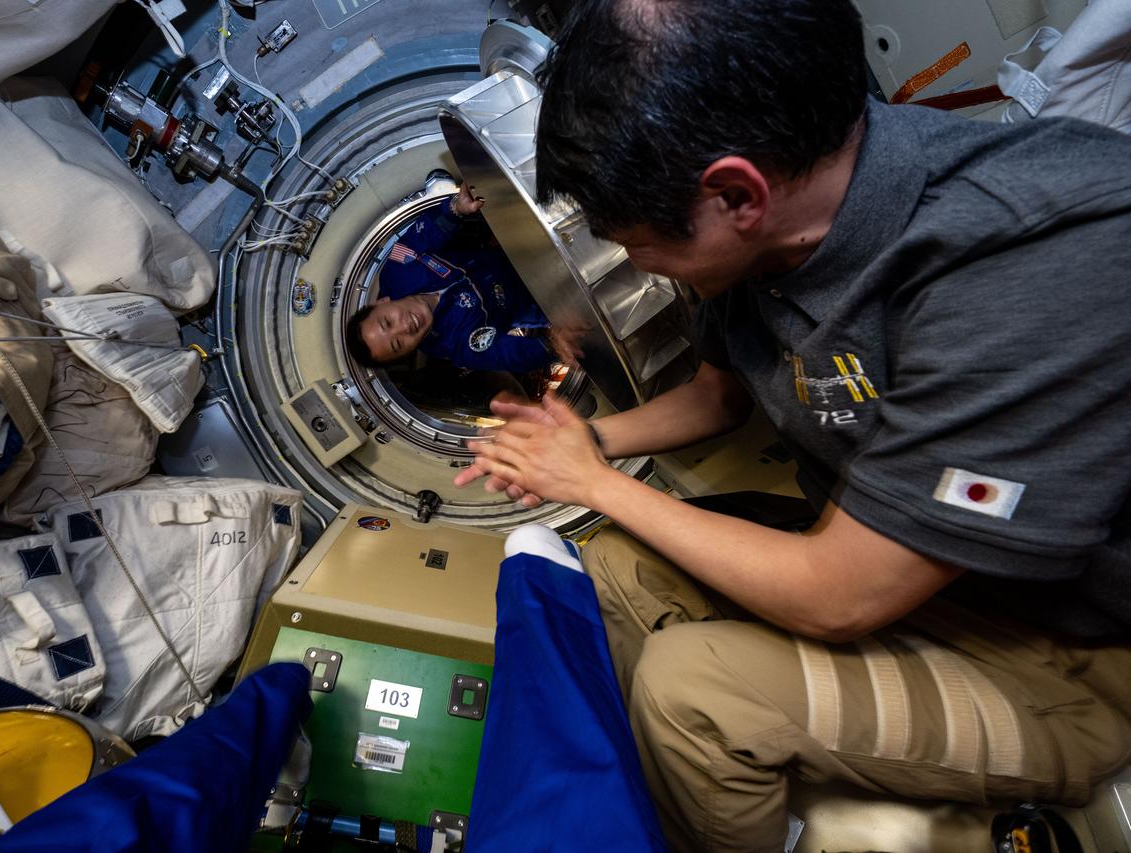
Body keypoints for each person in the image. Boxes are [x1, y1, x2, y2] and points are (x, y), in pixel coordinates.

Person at [454, 0, 1131, 850]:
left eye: (638, 245)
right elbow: (720, 394)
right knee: (612, 575)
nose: (632, 264)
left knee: (690, 692)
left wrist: (589, 485)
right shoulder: (779, 231)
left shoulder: (1023, 266)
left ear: (737, 192)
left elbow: (841, 593)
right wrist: (588, 443)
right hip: (910, 572)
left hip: (1068, 654)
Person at [346, 183, 558, 374]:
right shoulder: (452, 345)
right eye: (398, 344)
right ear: (407, 353)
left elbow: (424, 233)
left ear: (382, 302)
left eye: (387, 322)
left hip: (516, 249)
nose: (404, 328)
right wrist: (554, 345)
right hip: (545, 300)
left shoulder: (396, 270)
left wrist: (455, 209)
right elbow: (507, 355)